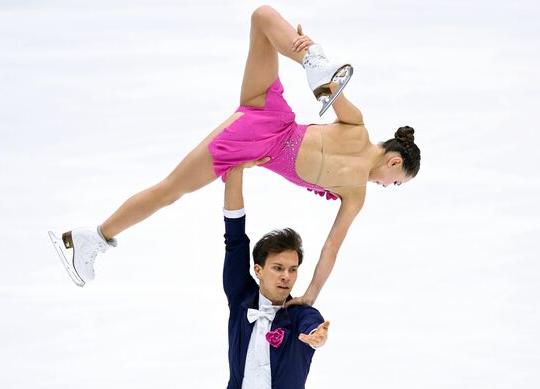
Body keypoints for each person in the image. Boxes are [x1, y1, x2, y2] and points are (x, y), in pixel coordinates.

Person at [49, 6, 421, 307]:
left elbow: (329, 91)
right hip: (256, 142)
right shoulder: (355, 192)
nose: (390, 186)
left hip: (273, 112)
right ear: (393, 162)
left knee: (262, 18)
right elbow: (330, 248)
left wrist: (304, 49)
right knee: (171, 190)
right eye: (398, 182)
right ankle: (92, 238)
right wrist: (309, 297)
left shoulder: (356, 124)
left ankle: (311, 57)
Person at [222, 160, 329, 389]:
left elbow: (312, 324)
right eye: (278, 268)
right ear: (258, 270)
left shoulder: (300, 315)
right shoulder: (241, 296)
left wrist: (317, 335)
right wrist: (235, 170)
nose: (286, 276)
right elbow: (234, 238)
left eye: (292, 269)